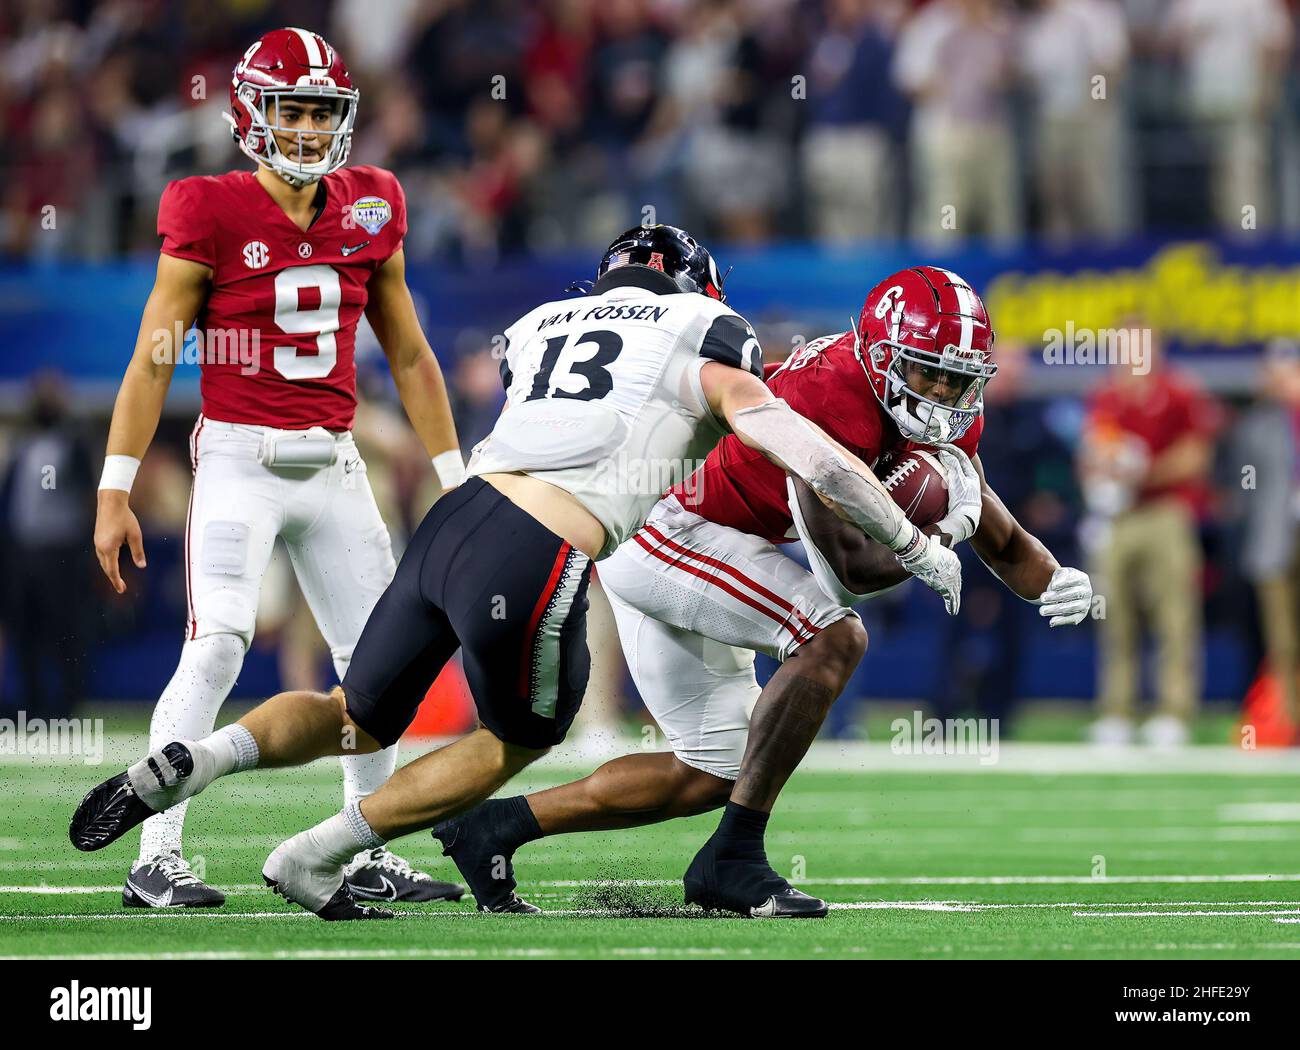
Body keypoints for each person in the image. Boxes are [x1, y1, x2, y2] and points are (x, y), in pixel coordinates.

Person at [71, 224, 964, 920]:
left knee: (357, 717)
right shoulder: (707, 328)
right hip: (538, 546)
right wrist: (917, 543)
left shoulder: (538, 325)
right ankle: (315, 852)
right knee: (516, 740)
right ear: (697, 292)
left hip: (452, 522)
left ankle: (207, 755)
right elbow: (817, 459)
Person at [433, 267, 1093, 918]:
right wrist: (938, 537)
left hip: (694, 533)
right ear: (881, 354)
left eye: (958, 379)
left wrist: (1053, 578)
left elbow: (995, 528)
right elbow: (848, 574)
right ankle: (734, 858)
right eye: (928, 374)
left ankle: (491, 830)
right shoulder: (832, 393)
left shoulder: (929, 408)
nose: (943, 394)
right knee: (833, 636)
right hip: (671, 526)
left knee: (712, 771)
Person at [88, 28, 464, 909]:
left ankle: (361, 843)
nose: (305, 128)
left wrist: (454, 473)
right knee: (218, 642)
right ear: (251, 113)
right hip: (239, 458)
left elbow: (408, 354)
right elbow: (153, 357)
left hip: (335, 462)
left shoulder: (372, 202)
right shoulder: (208, 206)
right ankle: (158, 853)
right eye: (291, 109)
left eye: (321, 111)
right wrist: (113, 487)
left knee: (381, 660)